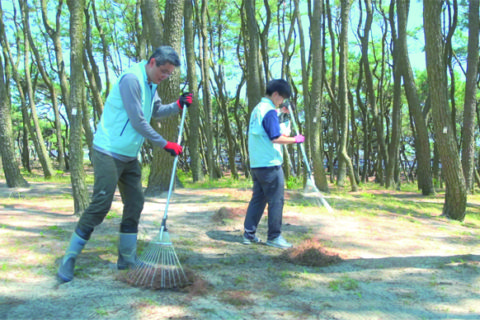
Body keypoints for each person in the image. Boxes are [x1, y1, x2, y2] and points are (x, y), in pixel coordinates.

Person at [57, 46, 193, 282]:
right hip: (108, 151)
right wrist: (165, 144)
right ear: (152, 62)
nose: (165, 77)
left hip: (130, 155)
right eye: (163, 71)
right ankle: (69, 258)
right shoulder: (132, 79)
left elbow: (156, 111)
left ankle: (127, 259)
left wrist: (178, 105)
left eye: (169, 74)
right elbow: (138, 121)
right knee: (100, 205)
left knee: (135, 203)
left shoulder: (152, 84)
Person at [243, 79, 304, 249]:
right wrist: (295, 140)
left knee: (258, 199)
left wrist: (283, 115)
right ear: (275, 94)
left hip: (257, 163)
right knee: (276, 200)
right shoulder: (269, 111)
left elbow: (270, 129)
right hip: (270, 163)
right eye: (281, 98)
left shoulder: (258, 109)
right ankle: (274, 237)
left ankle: (249, 234)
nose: (282, 102)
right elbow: (275, 137)